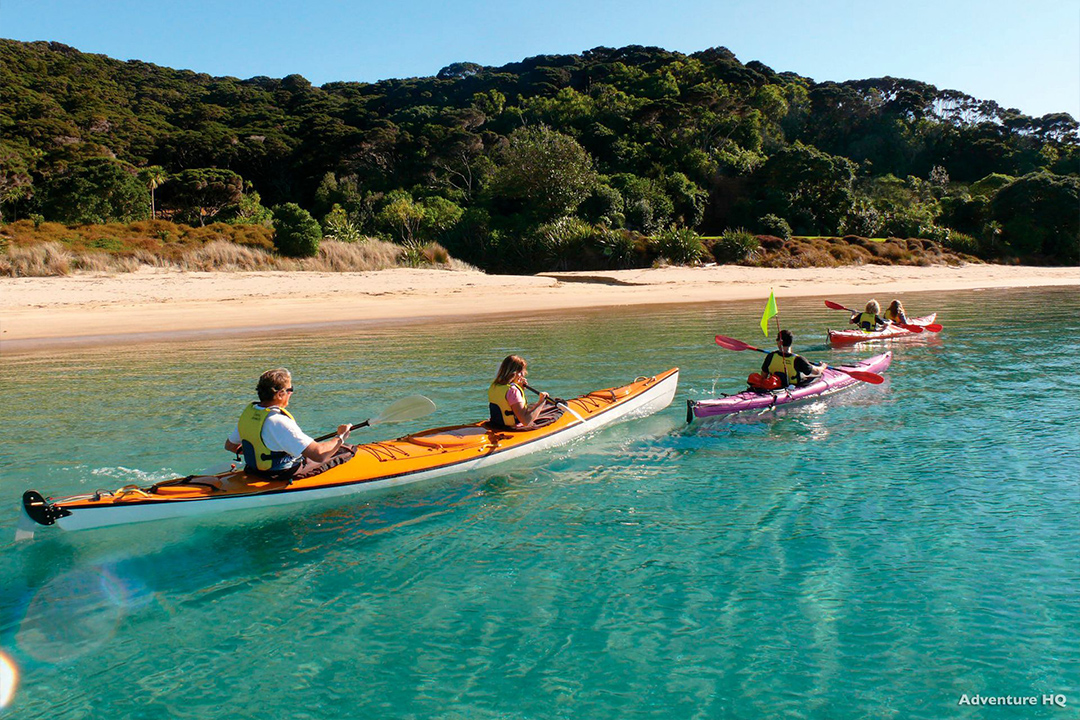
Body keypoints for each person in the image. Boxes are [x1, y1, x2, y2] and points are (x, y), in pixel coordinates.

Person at [225, 368, 353, 480]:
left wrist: (256, 452)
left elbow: (230, 445)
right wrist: (340, 437)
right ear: (280, 394)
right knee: (347, 450)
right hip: (281, 474)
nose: (291, 393)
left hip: (254, 470)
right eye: (290, 390)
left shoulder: (250, 415)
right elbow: (319, 455)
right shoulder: (279, 421)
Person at [488, 355, 552, 429]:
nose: (523, 375)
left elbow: (509, 402)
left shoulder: (495, 385)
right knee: (551, 410)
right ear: (515, 373)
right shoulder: (513, 391)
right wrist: (541, 402)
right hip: (512, 428)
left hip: (497, 424)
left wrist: (520, 388)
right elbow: (525, 421)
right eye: (521, 372)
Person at [759, 330, 823, 388]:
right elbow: (817, 372)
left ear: (780, 342)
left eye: (777, 339)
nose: (776, 340)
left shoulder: (771, 356)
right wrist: (822, 366)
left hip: (774, 386)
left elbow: (763, 376)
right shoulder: (798, 359)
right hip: (792, 387)